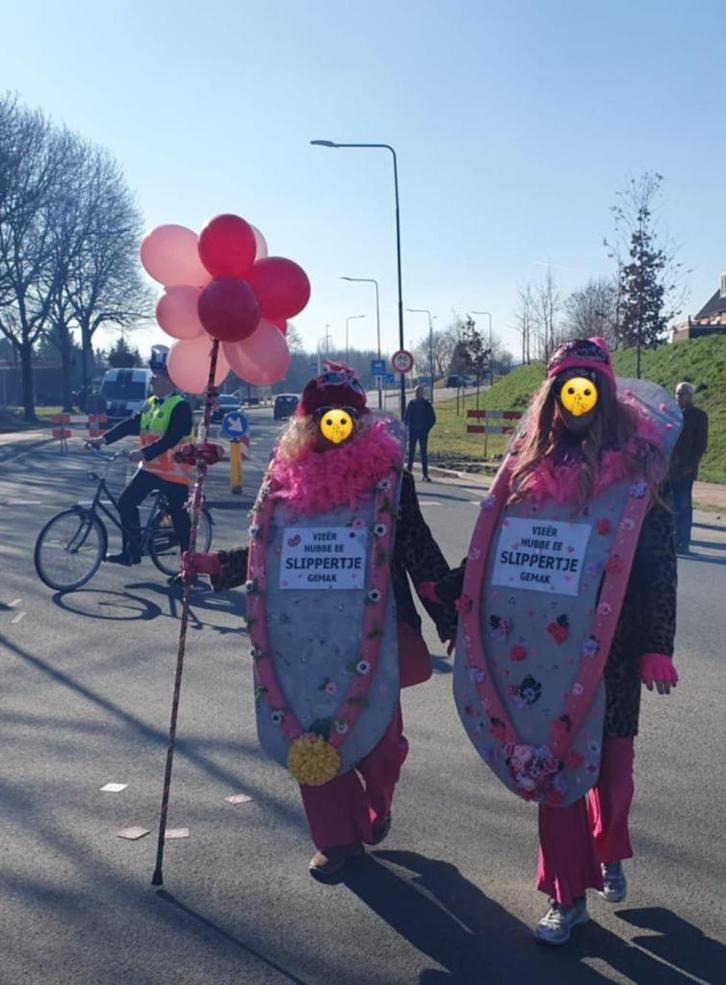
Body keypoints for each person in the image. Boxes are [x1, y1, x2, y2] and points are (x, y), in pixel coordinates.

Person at [434, 338, 680, 945]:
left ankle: (609, 845)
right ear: (554, 398)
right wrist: (455, 602)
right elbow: (492, 551)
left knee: (612, 777)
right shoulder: (522, 470)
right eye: (568, 388)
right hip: (538, 654)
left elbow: (657, 564)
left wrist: (656, 643)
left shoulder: (636, 471)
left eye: (588, 387)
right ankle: (565, 896)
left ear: (604, 395)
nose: (578, 400)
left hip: (614, 657)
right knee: (558, 778)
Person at [185, 362, 456, 880]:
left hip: (373, 636)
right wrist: (219, 566)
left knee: (382, 745)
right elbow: (271, 553)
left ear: (362, 422)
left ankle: (377, 801)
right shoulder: (282, 486)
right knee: (308, 732)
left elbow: (419, 550)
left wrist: (447, 615)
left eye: (347, 417)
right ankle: (336, 840)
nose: (336, 427)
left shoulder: (389, 481)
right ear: (307, 425)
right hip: (299, 636)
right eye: (325, 418)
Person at [88, 345, 194, 565]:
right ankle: (132, 552)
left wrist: (144, 453)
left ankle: (188, 567)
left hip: (174, 473)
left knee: (179, 517)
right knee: (126, 502)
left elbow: (171, 439)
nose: (153, 380)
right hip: (151, 469)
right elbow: (131, 424)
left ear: (170, 381)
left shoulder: (181, 407)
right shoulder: (151, 403)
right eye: (154, 375)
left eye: (158, 376)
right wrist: (103, 439)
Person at [669, 381, 708, 554]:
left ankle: (684, 541)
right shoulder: (672, 414)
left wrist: (692, 465)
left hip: (686, 469)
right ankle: (671, 539)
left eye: (682, 394)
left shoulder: (698, 416)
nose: (679, 397)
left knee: (683, 505)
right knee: (669, 505)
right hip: (669, 469)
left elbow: (701, 444)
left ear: (690, 396)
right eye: (677, 394)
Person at [404, 385, 436, 481]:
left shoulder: (427, 404)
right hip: (412, 432)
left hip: (423, 432)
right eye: (416, 392)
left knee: (423, 453)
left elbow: (433, 419)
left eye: (419, 392)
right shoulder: (412, 403)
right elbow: (406, 418)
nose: (418, 394)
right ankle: (409, 472)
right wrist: (406, 429)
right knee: (411, 453)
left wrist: (426, 429)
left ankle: (425, 475)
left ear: (422, 393)